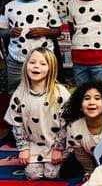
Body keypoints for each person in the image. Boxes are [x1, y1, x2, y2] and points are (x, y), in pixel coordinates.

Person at [4, 47, 70, 180]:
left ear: (51, 68)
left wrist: (59, 148)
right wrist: (23, 149)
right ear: (26, 65)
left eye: (42, 63)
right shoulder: (20, 93)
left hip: (57, 144)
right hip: (33, 145)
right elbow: (17, 124)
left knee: (52, 174)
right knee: (33, 175)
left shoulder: (60, 93)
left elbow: (67, 124)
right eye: (32, 62)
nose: (36, 66)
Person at [0, 0, 61, 93]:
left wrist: (45, 31)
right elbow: (1, 31)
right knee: (15, 92)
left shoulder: (46, 6)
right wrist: (9, 32)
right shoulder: (9, 7)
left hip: (43, 60)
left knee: (44, 91)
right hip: (17, 60)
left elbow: (57, 31)